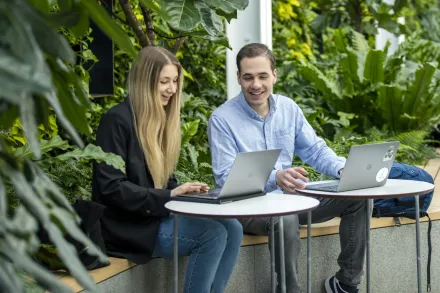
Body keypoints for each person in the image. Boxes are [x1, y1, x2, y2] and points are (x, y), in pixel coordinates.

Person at [208, 43, 366, 293]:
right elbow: (226, 177)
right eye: (248, 77)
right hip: (246, 207)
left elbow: (314, 149)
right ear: (238, 77)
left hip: (291, 199)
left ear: (274, 75)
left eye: (262, 76)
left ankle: (345, 283)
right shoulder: (222, 119)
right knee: (286, 217)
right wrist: (275, 178)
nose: (256, 85)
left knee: (358, 198)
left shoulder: (288, 108)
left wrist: (341, 169)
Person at [92, 46, 243, 293]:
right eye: (164, 82)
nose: (172, 89)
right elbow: (111, 188)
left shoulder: (159, 119)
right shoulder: (116, 121)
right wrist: (170, 196)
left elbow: (162, 180)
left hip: (154, 216)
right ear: (144, 82)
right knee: (212, 235)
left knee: (233, 227)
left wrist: (186, 194)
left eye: (174, 81)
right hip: (127, 227)